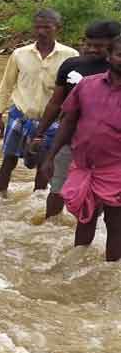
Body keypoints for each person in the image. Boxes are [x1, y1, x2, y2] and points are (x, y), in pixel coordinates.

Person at [42, 37, 121, 261]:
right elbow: (68, 121)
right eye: (120, 55)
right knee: (85, 217)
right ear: (110, 55)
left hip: (116, 169)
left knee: (115, 224)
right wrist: (51, 156)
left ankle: (109, 270)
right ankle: (78, 268)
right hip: (84, 165)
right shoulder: (87, 85)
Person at [31, 20, 120, 218]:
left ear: (113, 44)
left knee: (104, 203)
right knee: (57, 188)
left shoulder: (116, 71)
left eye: (98, 46)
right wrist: (40, 134)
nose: (91, 50)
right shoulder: (73, 65)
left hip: (111, 154)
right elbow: (56, 104)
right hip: (71, 142)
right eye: (88, 44)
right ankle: (51, 226)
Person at [0, 9, 78, 196]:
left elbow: (76, 92)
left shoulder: (70, 56)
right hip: (20, 115)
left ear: (58, 28)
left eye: (47, 27)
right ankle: (0, 197)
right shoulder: (19, 54)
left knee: (45, 163)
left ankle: (36, 203)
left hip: (53, 120)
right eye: (38, 27)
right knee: (8, 159)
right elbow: (6, 85)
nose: (41, 31)